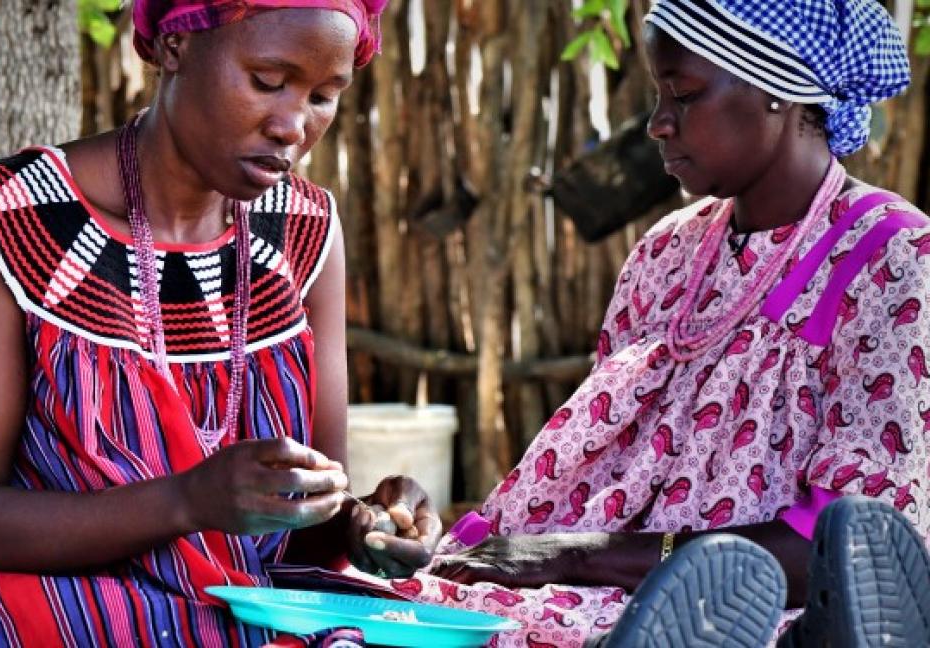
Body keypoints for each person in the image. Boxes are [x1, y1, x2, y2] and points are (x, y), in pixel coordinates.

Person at [0, 1, 443, 646]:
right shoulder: (11, 223)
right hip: (53, 602)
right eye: (267, 81)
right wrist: (187, 502)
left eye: (323, 95)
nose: (292, 125)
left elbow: (303, 536)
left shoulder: (303, 234)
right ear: (175, 45)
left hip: (243, 609)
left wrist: (364, 525)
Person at [386, 1, 930, 646]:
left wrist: (577, 556)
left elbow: (850, 542)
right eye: (657, 95)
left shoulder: (893, 260)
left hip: (762, 599)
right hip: (614, 585)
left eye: (685, 94)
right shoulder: (665, 254)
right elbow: (602, 469)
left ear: (781, 91)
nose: (658, 124)